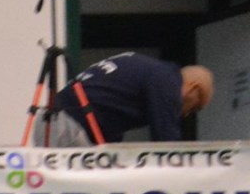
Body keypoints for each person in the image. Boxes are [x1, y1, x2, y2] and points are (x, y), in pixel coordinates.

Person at [40, 53, 212, 146]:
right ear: (193, 88)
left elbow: (109, 113)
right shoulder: (168, 81)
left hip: (50, 121)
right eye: (194, 107)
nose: (186, 114)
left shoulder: (150, 70)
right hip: (69, 127)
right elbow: (167, 145)